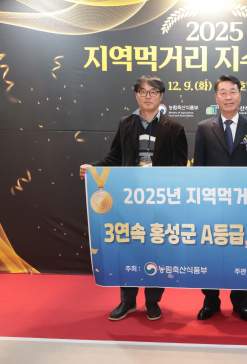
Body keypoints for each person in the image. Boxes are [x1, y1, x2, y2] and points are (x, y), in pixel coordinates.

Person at [79, 75, 188, 322]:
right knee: (127, 249)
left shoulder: (175, 128)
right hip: (129, 201)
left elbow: (180, 167)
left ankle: (152, 302)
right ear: (136, 94)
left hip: (160, 202)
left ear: (161, 96)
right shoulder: (125, 123)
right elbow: (114, 158)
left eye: (153, 92)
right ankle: (127, 301)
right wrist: (93, 168)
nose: (148, 96)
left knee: (157, 250)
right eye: (143, 91)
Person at [193, 74, 247, 322]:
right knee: (210, 253)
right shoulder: (204, 127)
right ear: (216, 98)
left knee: (242, 252)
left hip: (244, 205)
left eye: (232, 91)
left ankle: (241, 303)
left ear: (240, 95)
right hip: (212, 205)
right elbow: (198, 169)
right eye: (223, 92)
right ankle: (211, 301)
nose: (228, 97)